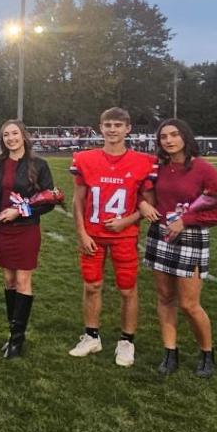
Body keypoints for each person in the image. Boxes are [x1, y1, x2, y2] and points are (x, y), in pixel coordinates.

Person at [68, 107, 158, 367]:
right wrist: (81, 233)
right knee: (91, 286)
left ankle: (126, 341)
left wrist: (126, 221)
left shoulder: (143, 161)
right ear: (100, 127)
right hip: (92, 235)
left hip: (125, 236)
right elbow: (78, 200)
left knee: (127, 289)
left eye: (118, 125)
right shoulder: (85, 158)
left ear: (128, 128)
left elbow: (149, 207)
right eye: (108, 124)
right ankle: (91, 335)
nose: (112, 129)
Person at [142, 119, 217, 377]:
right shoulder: (158, 167)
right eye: (163, 137)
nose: (168, 140)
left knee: (190, 305)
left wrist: (187, 220)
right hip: (160, 235)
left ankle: (207, 353)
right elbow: (143, 192)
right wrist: (143, 204)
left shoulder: (204, 169)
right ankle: (170, 352)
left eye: (174, 135)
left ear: (186, 137)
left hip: (190, 238)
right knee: (164, 298)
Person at [0, 120, 56, 359]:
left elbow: (49, 200)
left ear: (23, 135)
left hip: (26, 229)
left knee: (22, 280)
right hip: (1, 229)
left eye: (15, 133)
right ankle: (12, 332)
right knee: (9, 280)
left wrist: (20, 211)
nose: (11, 138)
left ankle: (17, 340)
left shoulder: (39, 165)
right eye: (6, 135)